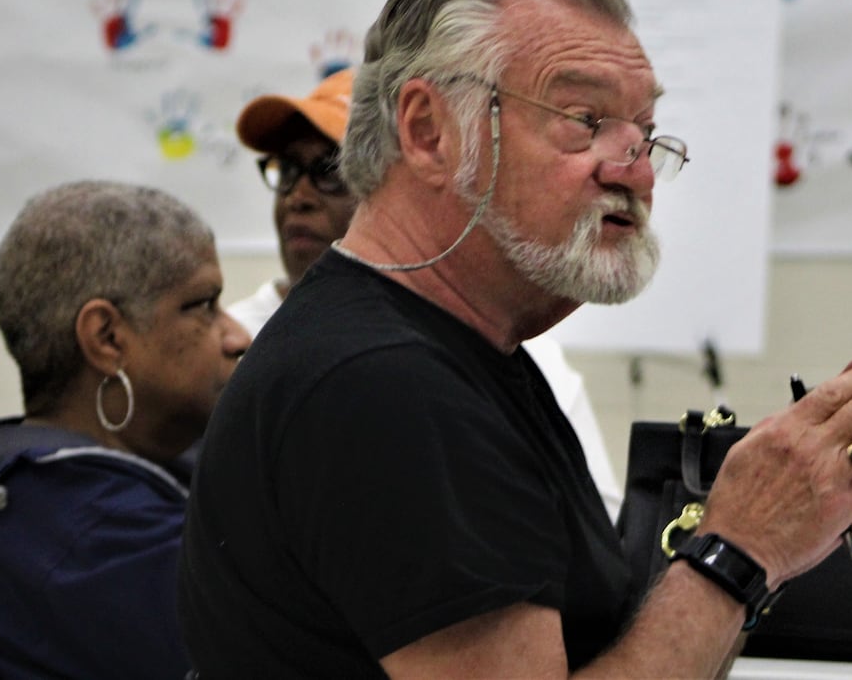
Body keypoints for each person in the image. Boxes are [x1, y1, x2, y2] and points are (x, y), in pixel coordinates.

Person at [178, 0, 852, 676]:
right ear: (428, 131)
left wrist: (765, 536)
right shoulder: (384, 387)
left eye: (644, 132)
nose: (635, 168)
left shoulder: (468, 352)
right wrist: (739, 546)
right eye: (584, 118)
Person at [228, 65, 626, 519]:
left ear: (399, 186)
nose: (297, 196)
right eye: (288, 170)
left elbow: (604, 527)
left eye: (328, 170)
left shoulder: (523, 362)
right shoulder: (233, 346)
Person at [0, 181, 250, 680]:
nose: (237, 335)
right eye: (202, 305)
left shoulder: (63, 489)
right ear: (107, 338)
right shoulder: (86, 535)